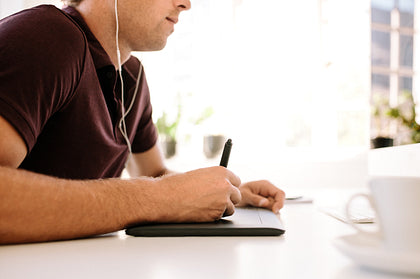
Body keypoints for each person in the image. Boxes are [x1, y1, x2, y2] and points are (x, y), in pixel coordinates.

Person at [0, 0, 285, 245]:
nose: (186, 3)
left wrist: (228, 193)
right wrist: (159, 197)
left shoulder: (131, 76)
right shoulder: (47, 36)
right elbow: (157, 191)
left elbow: (154, 172)